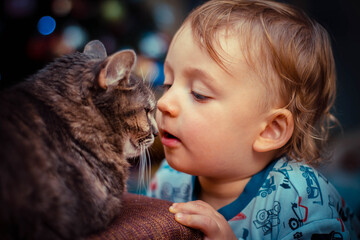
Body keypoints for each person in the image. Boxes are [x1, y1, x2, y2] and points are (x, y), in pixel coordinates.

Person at [146, 0, 360, 239]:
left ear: (269, 130)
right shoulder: (167, 180)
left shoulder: (303, 201)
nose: (163, 103)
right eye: (168, 83)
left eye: (199, 94)